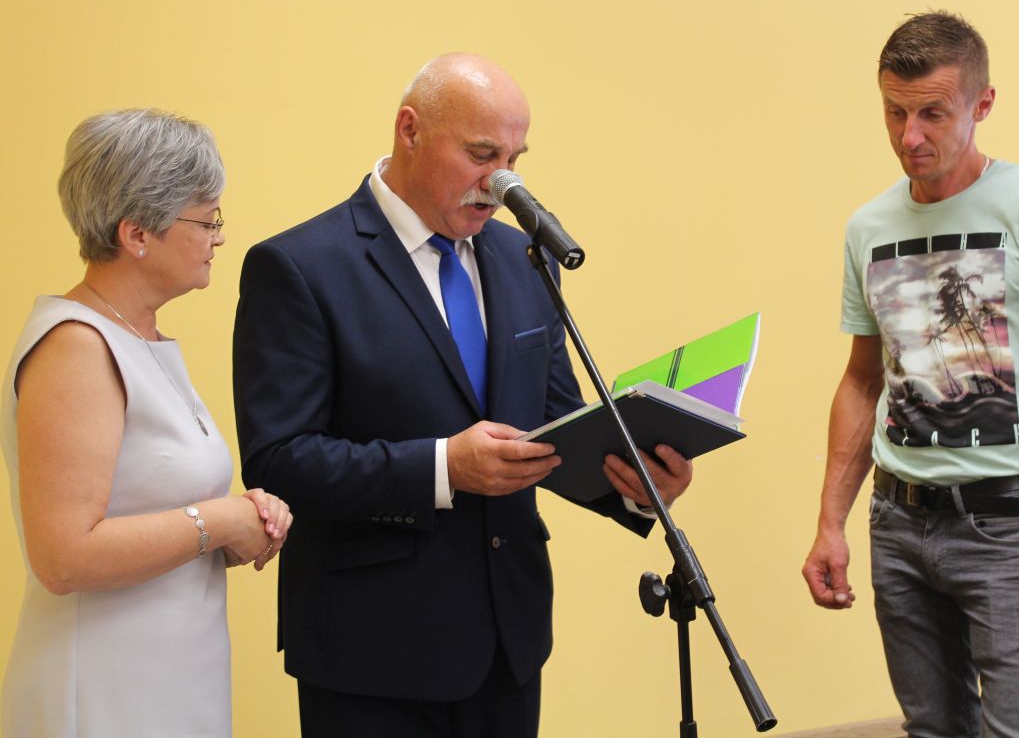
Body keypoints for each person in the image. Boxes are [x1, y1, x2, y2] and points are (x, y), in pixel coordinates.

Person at [232, 53, 693, 737]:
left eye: (513, 158)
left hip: (508, 642)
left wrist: (635, 483)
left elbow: (553, 426)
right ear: (409, 130)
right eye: (482, 155)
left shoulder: (524, 259)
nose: (501, 183)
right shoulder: (299, 267)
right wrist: (443, 466)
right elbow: (279, 461)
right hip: (370, 653)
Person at [801, 11, 1019, 737]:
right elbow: (862, 380)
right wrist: (830, 522)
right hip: (898, 523)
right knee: (931, 729)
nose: (910, 136)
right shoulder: (869, 228)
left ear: (982, 104)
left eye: (933, 113)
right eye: (894, 112)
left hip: (1010, 526)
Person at [0, 109, 294, 738]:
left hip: (171, 679)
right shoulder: (77, 346)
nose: (218, 237)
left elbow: (153, 510)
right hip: (105, 690)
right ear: (137, 234)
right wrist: (220, 521)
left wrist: (245, 520)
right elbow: (63, 556)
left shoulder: (141, 340)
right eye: (207, 220)